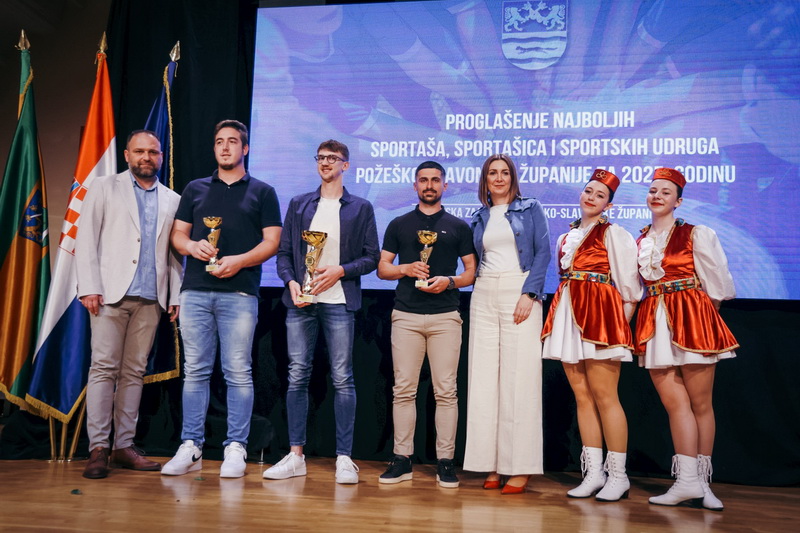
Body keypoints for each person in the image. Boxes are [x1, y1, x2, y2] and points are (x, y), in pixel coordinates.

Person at [162, 120, 282, 478]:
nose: (225, 147)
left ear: (245, 149)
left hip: (240, 293)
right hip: (196, 291)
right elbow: (178, 236)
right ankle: (191, 445)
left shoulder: (263, 191)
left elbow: (272, 242)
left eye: (232, 141)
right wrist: (191, 246)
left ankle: (236, 446)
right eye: (219, 142)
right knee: (196, 371)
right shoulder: (195, 188)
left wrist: (239, 261)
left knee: (238, 372)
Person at [264, 139, 379, 484]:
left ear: (346, 165)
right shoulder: (300, 203)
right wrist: (290, 282)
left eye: (333, 158)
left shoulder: (360, 207)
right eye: (321, 157)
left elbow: (372, 257)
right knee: (297, 374)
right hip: (301, 302)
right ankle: (296, 455)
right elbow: (284, 253)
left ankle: (344, 457)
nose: (326, 162)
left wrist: (341, 270)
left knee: (342, 377)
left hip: (340, 301)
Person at [76, 130, 183, 479]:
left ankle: (123, 446)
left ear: (161, 157)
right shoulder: (104, 187)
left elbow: (174, 253)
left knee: (134, 372)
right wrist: (89, 286)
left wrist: (175, 295)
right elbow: (86, 238)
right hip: (109, 294)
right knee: (103, 368)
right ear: (127, 155)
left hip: (151, 298)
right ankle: (98, 448)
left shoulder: (173, 199)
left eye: (152, 152)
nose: (146, 157)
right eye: (139, 151)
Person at [635, 167, 738, 510]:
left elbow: (717, 284)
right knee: (674, 404)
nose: (657, 196)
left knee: (701, 403)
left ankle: (702, 484)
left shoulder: (696, 233)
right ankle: (686, 481)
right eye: (653, 190)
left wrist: (701, 316)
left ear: (678, 201)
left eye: (665, 192)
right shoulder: (640, 241)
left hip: (693, 316)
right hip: (654, 319)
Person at [541, 169, 641, 501]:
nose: (591, 198)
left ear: (608, 205)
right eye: (588, 191)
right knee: (582, 396)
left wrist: (618, 327)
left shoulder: (614, 234)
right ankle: (594, 473)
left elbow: (629, 288)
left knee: (605, 396)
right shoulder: (565, 237)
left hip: (601, 318)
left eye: (600, 195)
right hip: (569, 315)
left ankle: (618, 476)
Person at [376, 161, 477, 488]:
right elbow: (382, 268)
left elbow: (471, 272)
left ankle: (445, 462)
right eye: (423, 180)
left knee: (446, 392)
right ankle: (401, 458)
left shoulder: (458, 226)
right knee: (403, 390)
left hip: (446, 316)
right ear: (415, 185)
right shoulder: (399, 224)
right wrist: (405, 269)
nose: (429, 185)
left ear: (445, 186)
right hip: (405, 315)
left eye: (435, 180)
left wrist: (450, 281)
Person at [463, 154, 550, 494]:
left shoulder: (531, 208)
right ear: (485, 180)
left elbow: (542, 252)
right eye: (492, 173)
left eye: (504, 173)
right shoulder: (479, 216)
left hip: (519, 289)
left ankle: (520, 466)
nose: (498, 178)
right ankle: (492, 464)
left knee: (519, 380)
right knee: (484, 380)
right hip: (483, 291)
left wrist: (530, 293)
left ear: (513, 178)